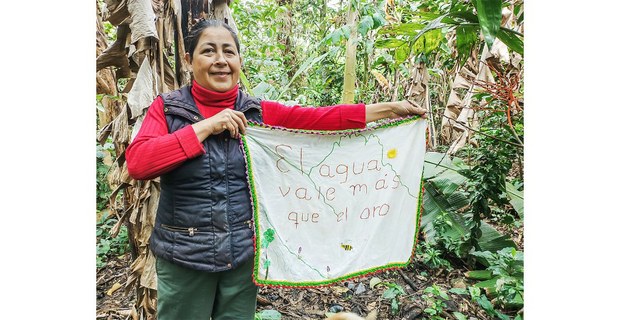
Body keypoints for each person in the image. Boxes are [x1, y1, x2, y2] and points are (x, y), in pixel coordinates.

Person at [126, 19, 427, 320]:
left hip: (242, 257)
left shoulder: (257, 112)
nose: (221, 60)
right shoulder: (168, 109)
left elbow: (318, 119)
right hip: (185, 258)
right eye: (209, 51)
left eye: (229, 52)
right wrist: (205, 127)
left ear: (239, 60)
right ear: (190, 60)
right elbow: (139, 163)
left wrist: (390, 109)